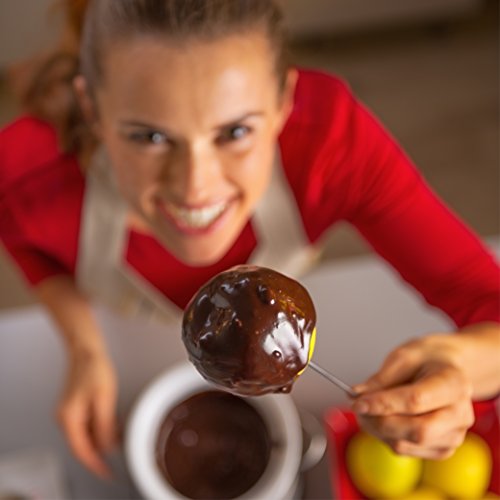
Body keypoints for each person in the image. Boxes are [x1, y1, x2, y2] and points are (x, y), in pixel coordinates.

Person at [1, 0, 498, 480]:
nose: (196, 186)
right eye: (149, 137)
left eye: (235, 131)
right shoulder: (24, 173)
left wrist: (456, 365)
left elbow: (485, 300)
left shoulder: (330, 141)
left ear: (283, 101)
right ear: (91, 108)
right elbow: (26, 245)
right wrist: (84, 346)